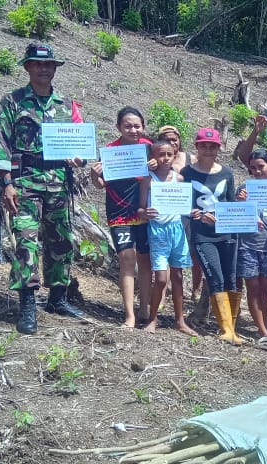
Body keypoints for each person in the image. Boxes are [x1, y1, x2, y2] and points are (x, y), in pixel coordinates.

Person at [0, 43, 86, 335]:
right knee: (26, 243)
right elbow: (1, 144)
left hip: (58, 182)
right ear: (27, 67)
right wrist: (6, 182)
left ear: (55, 68)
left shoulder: (67, 105)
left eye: (48, 65)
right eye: (37, 64)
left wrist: (79, 157)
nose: (43, 69)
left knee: (62, 241)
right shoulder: (13, 102)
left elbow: (80, 144)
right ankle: (28, 305)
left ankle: (57, 299)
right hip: (25, 182)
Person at [90, 106, 153, 329]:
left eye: (137, 126)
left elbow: (168, 171)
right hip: (118, 212)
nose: (133, 130)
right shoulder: (110, 150)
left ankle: (144, 308)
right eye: (127, 126)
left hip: (145, 212)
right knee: (127, 259)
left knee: (145, 260)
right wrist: (93, 174)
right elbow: (99, 184)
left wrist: (157, 166)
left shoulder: (149, 148)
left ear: (143, 127)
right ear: (118, 127)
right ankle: (129, 315)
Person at [181, 128, 241, 344]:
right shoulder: (186, 174)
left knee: (231, 280)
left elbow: (232, 203)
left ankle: (231, 328)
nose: (208, 150)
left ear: (219, 148)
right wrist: (194, 213)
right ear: (196, 147)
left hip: (228, 235)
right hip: (203, 236)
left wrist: (242, 212)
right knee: (215, 277)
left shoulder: (227, 173)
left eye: (212, 146)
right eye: (204, 145)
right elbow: (179, 203)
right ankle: (226, 330)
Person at [137, 138, 197, 336]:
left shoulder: (178, 179)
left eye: (169, 154)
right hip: (157, 232)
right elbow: (140, 208)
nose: (165, 158)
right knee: (161, 278)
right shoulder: (148, 180)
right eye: (160, 154)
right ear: (153, 157)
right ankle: (153, 319)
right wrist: (145, 213)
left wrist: (192, 212)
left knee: (178, 276)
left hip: (177, 230)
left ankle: (180, 320)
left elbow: (184, 206)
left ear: (174, 155)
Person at [235, 149, 267, 349]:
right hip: (248, 245)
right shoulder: (243, 189)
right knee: (252, 288)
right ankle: (263, 332)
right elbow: (235, 218)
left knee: (264, 289)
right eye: (253, 168)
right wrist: (242, 204)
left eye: (261, 166)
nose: (257, 171)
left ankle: (262, 325)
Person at [158, 125, 204, 304]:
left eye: (174, 139)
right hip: (167, 213)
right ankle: (167, 287)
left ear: (179, 140)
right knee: (169, 250)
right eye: (166, 139)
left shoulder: (190, 159)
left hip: (190, 211)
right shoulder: (158, 159)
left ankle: (196, 289)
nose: (171, 143)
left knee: (194, 251)